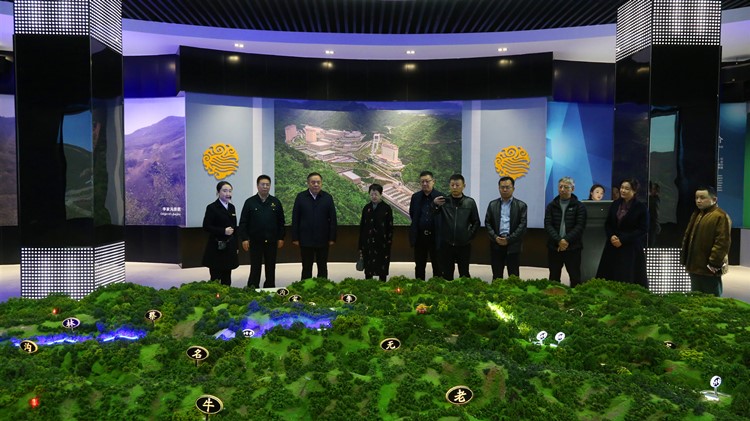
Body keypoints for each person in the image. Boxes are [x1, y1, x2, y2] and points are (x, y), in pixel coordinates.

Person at [596, 178, 649, 288]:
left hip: (630, 248)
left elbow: (643, 229)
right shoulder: (615, 204)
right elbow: (608, 224)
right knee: (609, 278)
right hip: (612, 246)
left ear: (634, 191)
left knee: (627, 278)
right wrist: (611, 236)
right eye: (622, 188)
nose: (623, 190)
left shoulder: (641, 207)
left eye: (627, 189)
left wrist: (623, 239)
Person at [680, 186, 731, 297]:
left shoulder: (720, 216)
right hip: (695, 267)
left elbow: (722, 243)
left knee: (711, 299)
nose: (698, 201)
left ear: (714, 199)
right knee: (696, 298)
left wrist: (713, 264)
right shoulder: (697, 214)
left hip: (710, 269)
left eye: (702, 198)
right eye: (696, 198)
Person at [238, 175, 286, 289]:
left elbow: (281, 222)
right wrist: (244, 238)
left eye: (267, 184)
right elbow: (243, 222)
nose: (265, 186)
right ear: (257, 186)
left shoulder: (275, 202)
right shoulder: (250, 202)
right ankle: (252, 288)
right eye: (262, 184)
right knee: (255, 267)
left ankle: (270, 287)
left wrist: (281, 237)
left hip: (271, 241)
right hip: (255, 241)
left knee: (271, 266)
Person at [433, 174, 480, 280]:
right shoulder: (443, 201)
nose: (454, 187)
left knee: (464, 273)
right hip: (447, 244)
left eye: (457, 185)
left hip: (464, 245)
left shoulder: (470, 202)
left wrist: (469, 236)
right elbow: (433, 214)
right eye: (452, 185)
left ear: (464, 186)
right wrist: (434, 204)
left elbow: (476, 222)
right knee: (447, 274)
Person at [292, 172, 337, 280]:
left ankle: (322, 286)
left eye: (318, 182)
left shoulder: (327, 198)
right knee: (306, 267)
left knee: (322, 266)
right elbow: (295, 218)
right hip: (305, 239)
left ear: (321, 183)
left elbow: (333, 219)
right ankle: (305, 287)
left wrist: (332, 238)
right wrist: (295, 237)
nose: (316, 184)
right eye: (313, 182)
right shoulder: (301, 197)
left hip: (323, 239)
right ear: (308, 183)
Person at [544, 177, 588, 287]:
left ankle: (575, 296)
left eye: (566, 187)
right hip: (555, 246)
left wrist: (566, 240)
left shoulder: (579, 206)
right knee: (554, 276)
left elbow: (580, 226)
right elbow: (548, 225)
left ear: (572, 189)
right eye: (560, 187)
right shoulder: (551, 206)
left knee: (575, 276)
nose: (562, 189)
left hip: (573, 247)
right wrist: (559, 240)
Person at [485, 176, 528, 279]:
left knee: (513, 276)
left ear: (513, 188)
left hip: (513, 244)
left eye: (507, 187)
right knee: (497, 275)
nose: (504, 190)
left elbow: (522, 226)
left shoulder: (521, 205)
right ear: (498, 188)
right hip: (496, 243)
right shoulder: (492, 204)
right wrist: (495, 237)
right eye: (502, 187)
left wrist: (508, 239)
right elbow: (488, 223)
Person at [202, 181, 239, 286]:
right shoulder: (212, 207)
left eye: (230, 191)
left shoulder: (232, 207)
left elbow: (234, 227)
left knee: (227, 276)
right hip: (216, 247)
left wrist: (236, 246)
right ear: (218, 192)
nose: (228, 194)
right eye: (225, 191)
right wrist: (223, 231)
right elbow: (206, 226)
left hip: (229, 246)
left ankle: (226, 293)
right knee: (215, 278)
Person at [408, 171, 444, 280]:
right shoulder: (415, 197)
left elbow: (443, 217)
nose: (424, 184)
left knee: (437, 266)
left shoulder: (440, 197)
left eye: (427, 181)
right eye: (422, 182)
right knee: (419, 266)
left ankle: (437, 287)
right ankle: (419, 286)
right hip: (420, 237)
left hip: (435, 237)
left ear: (433, 182)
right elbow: (412, 214)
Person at [358, 184, 394, 281]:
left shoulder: (386, 208)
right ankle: (369, 285)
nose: (374, 196)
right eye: (372, 194)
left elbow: (390, 227)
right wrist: (360, 245)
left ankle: (382, 285)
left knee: (382, 268)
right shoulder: (366, 208)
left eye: (376, 194)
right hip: (368, 243)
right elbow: (362, 227)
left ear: (381, 194)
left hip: (382, 243)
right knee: (368, 268)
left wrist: (388, 242)